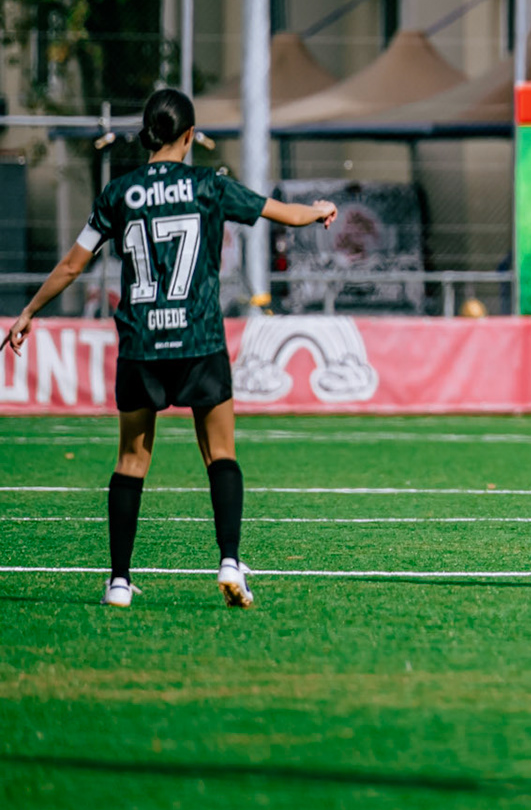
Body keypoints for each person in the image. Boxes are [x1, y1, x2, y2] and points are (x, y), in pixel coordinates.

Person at [4, 88, 338, 608]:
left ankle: (118, 581)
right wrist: (318, 211)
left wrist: (28, 312)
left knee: (131, 460)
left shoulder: (119, 193)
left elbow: (73, 264)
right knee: (220, 453)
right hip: (199, 339)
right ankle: (229, 560)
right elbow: (282, 214)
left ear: (147, 134)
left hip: (141, 342)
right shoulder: (209, 186)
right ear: (188, 136)